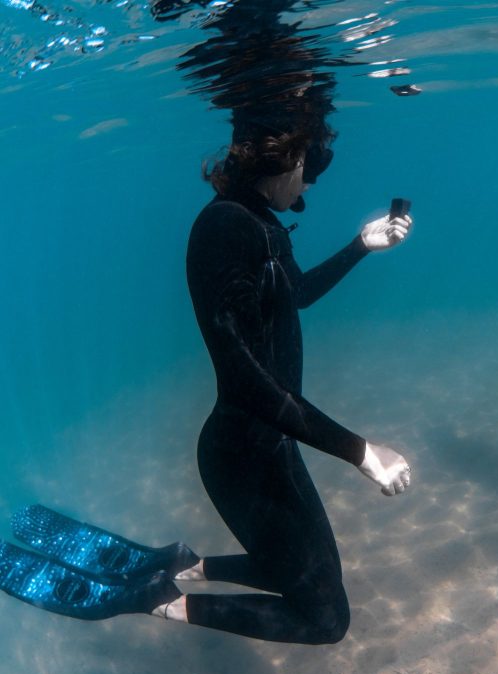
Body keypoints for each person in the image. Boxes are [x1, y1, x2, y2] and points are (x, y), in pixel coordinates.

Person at [161, 126, 414, 644]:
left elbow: (294, 292)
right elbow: (243, 382)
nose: (309, 187)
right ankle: (157, 601)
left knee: (320, 583)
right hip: (241, 459)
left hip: (272, 447)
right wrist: (360, 452)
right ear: (285, 158)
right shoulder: (223, 228)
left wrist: (360, 247)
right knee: (326, 619)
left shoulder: (259, 220)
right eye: (307, 171)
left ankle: (193, 567)